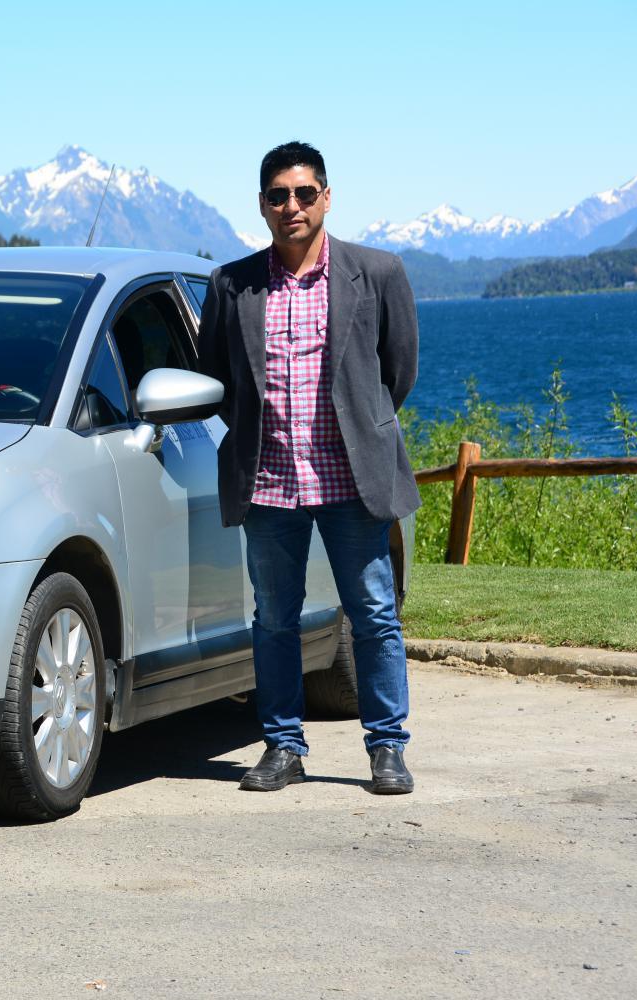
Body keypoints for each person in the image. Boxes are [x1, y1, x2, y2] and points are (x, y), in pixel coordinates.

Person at [195, 141, 420, 795]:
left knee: (373, 614)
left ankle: (387, 748)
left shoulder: (378, 273)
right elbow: (216, 377)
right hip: (268, 483)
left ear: (326, 197)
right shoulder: (231, 284)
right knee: (274, 620)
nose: (290, 205)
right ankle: (283, 747)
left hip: (352, 481)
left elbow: (397, 373)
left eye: (303, 193)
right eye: (277, 195)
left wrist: (363, 429)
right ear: (262, 205)